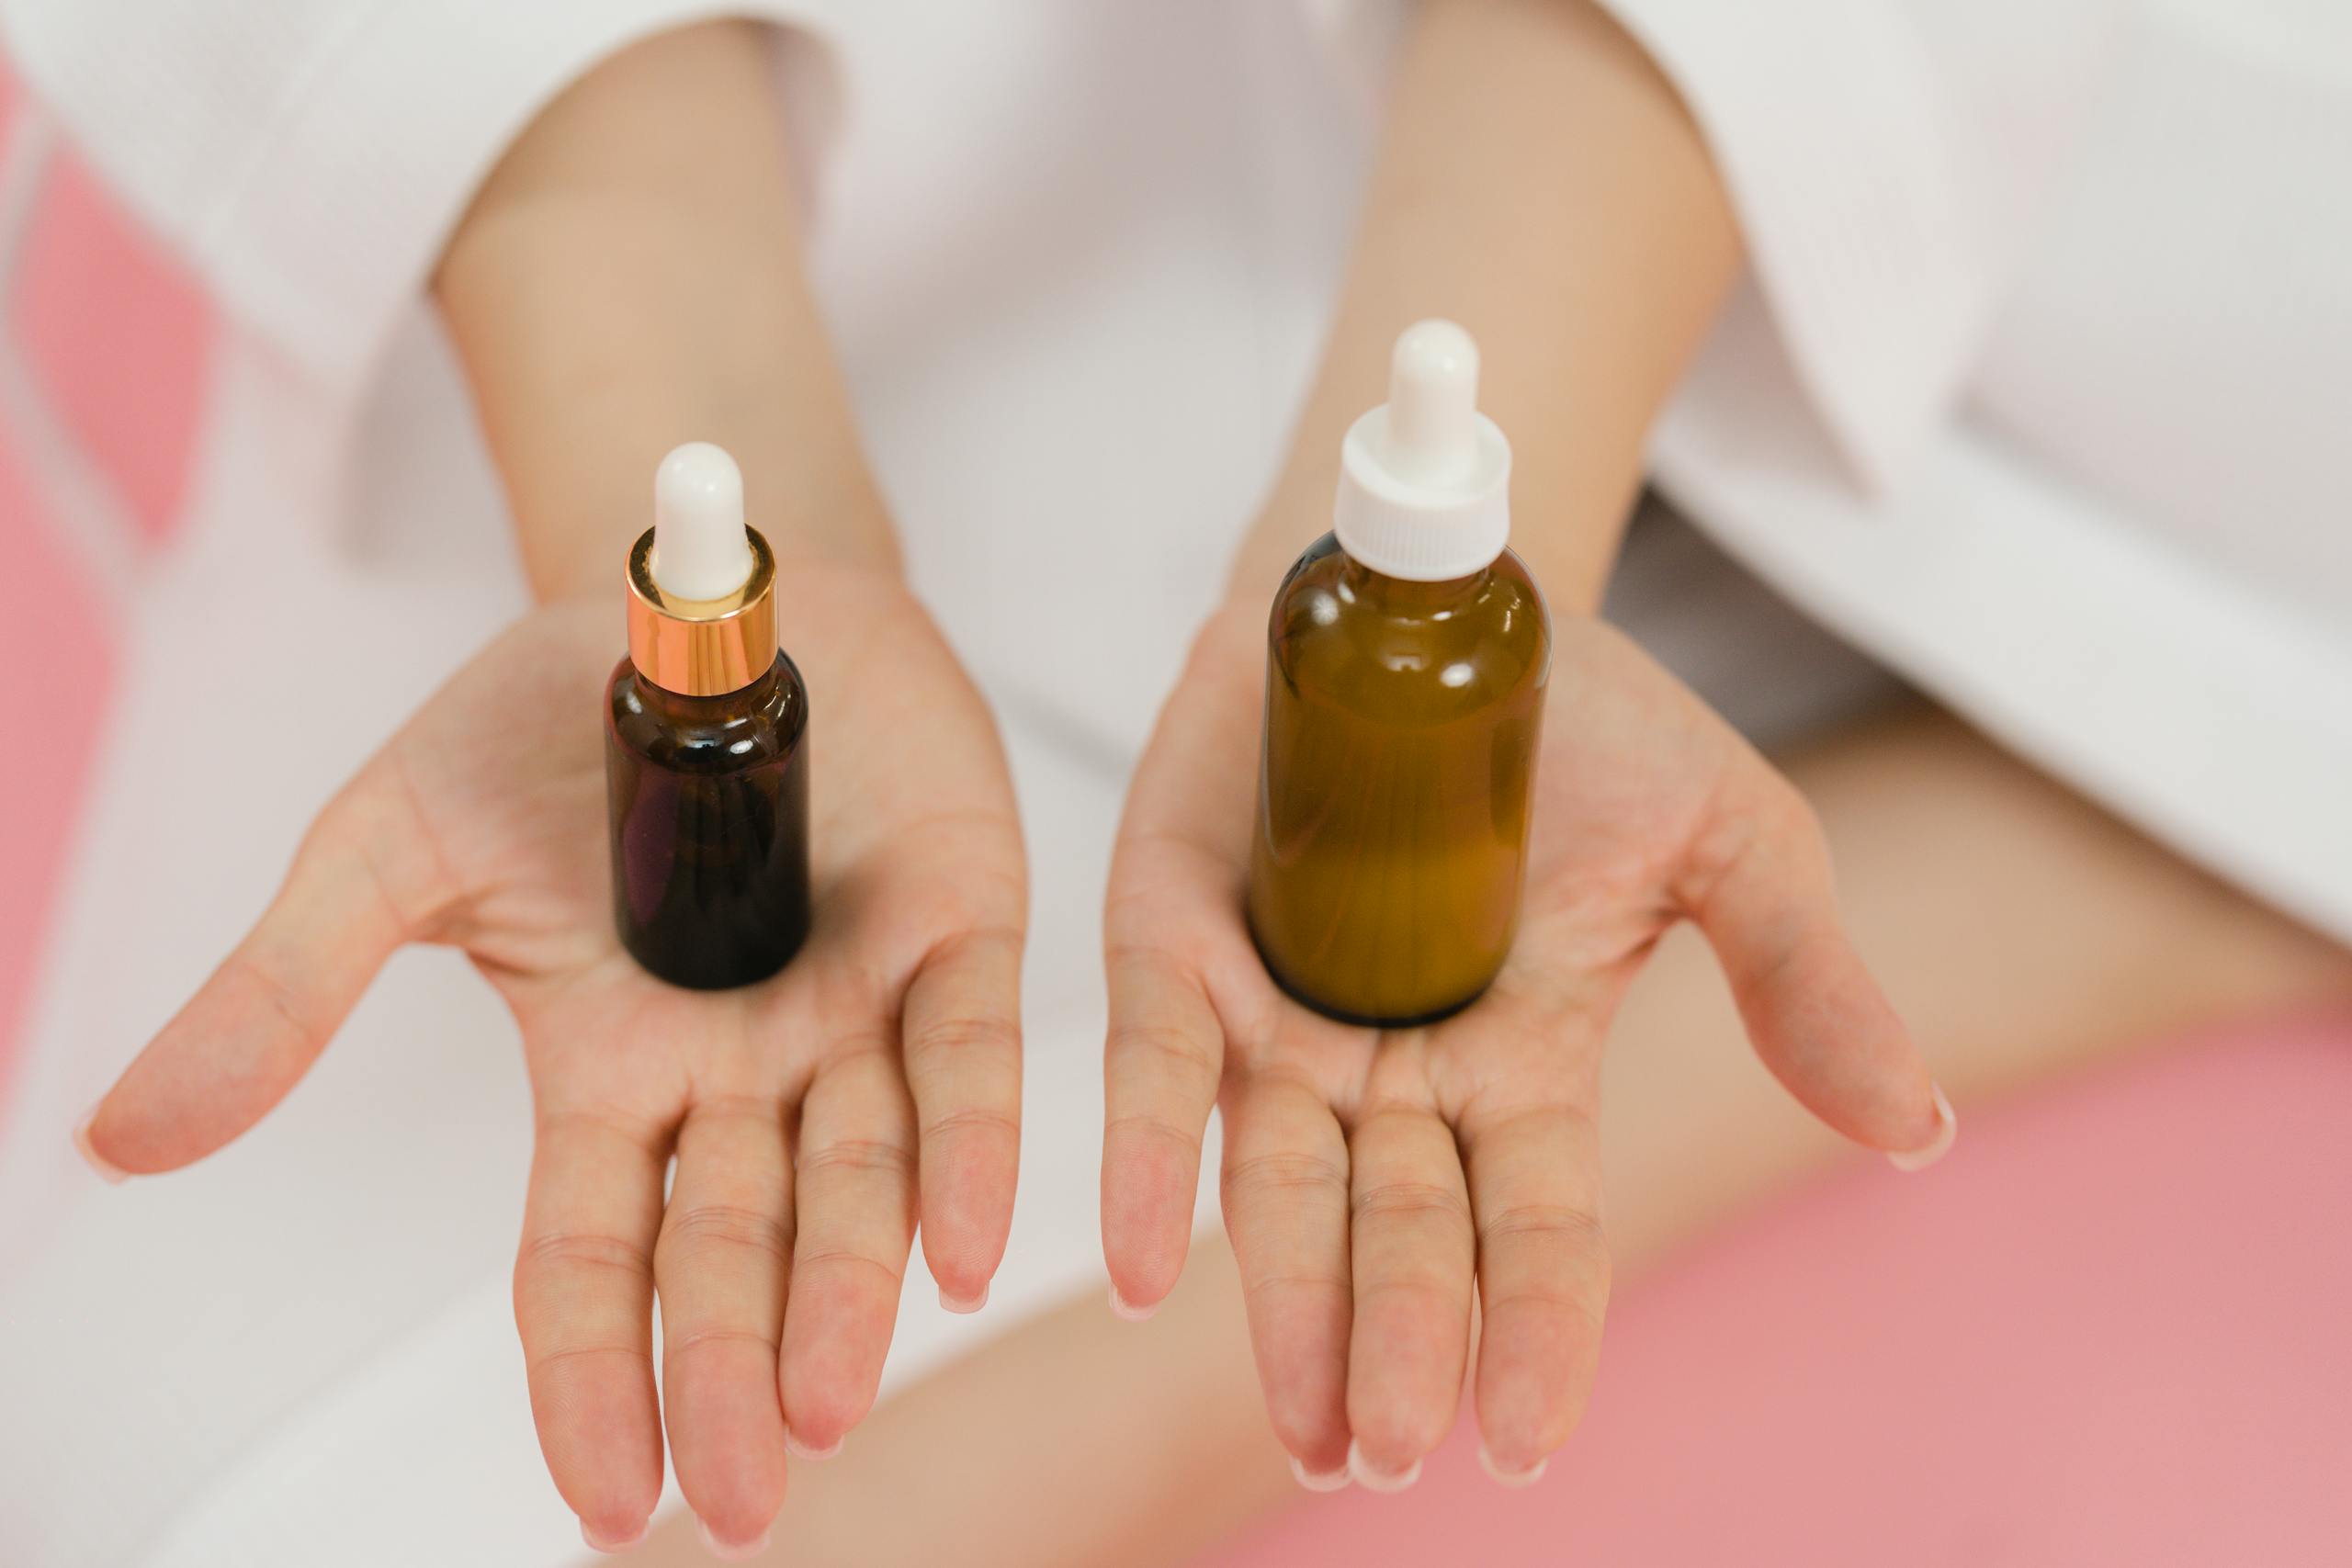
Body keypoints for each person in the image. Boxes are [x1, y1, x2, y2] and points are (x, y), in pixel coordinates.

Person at [1, 3, 2346, 1564]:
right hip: (734, 238)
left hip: (1961, 225)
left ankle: (2114, 821)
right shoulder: (694, 664)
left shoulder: (1403, 608)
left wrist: (1491, 475)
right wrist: (692, 438)